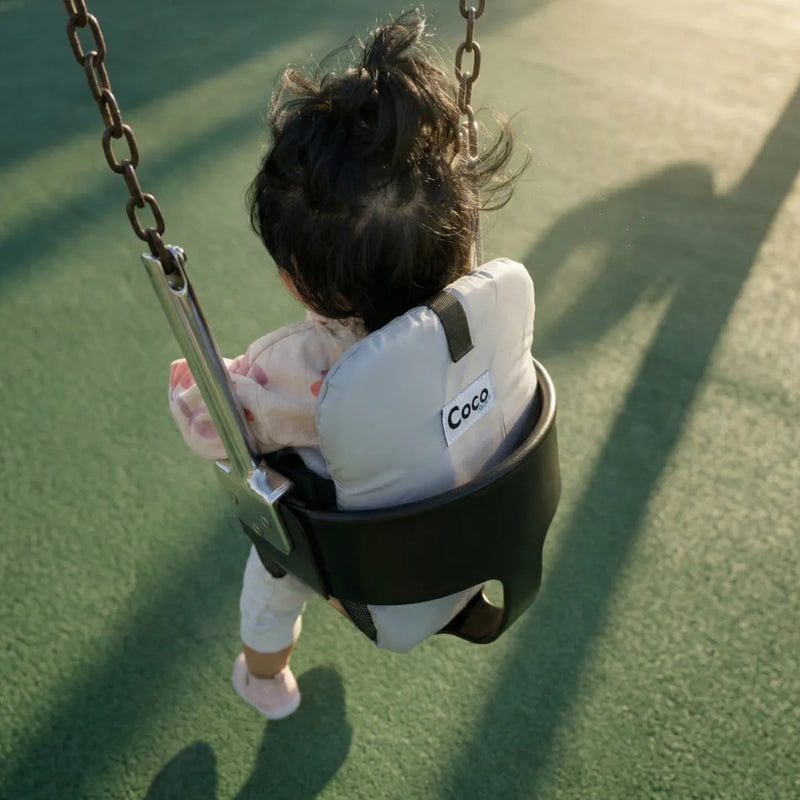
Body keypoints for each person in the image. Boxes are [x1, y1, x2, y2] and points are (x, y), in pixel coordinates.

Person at [168, 10, 525, 719]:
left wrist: (194, 386)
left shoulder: (297, 366)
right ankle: (453, 597)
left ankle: (263, 676)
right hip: (464, 510)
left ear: (302, 282)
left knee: (272, 570)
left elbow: (218, 429)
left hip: (364, 562)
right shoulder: (485, 304)